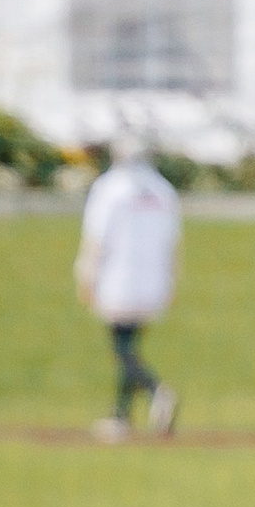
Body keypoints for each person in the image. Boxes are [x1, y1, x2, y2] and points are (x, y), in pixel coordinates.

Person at [77, 135, 180, 442]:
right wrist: (171, 280)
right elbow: (174, 241)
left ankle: (155, 391)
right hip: (152, 280)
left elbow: (96, 236)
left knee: (121, 348)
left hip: (117, 278)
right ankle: (120, 416)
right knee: (129, 345)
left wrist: (87, 275)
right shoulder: (163, 189)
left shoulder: (109, 188)